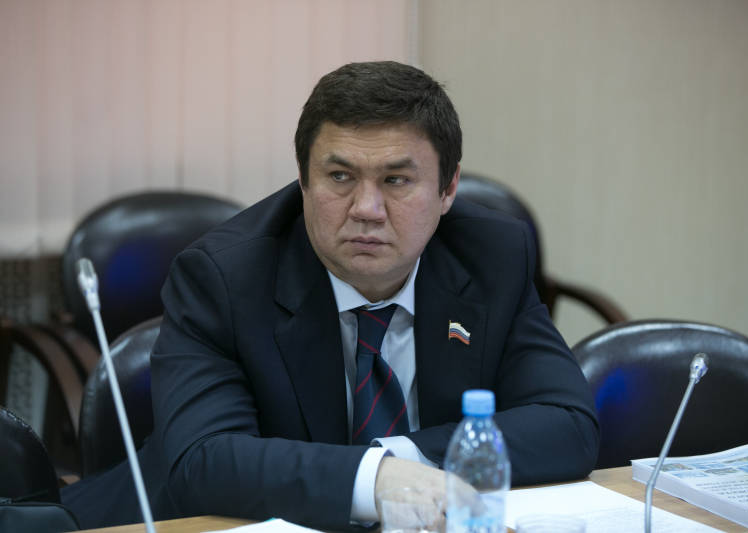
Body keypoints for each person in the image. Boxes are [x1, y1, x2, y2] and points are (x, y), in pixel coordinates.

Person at [62, 61, 598, 530]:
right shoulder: (222, 278)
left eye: (396, 180)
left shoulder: (492, 256)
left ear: (448, 189)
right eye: (340, 176)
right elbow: (204, 460)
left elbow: (568, 425)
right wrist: (375, 481)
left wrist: (400, 464)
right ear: (303, 180)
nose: (366, 209)